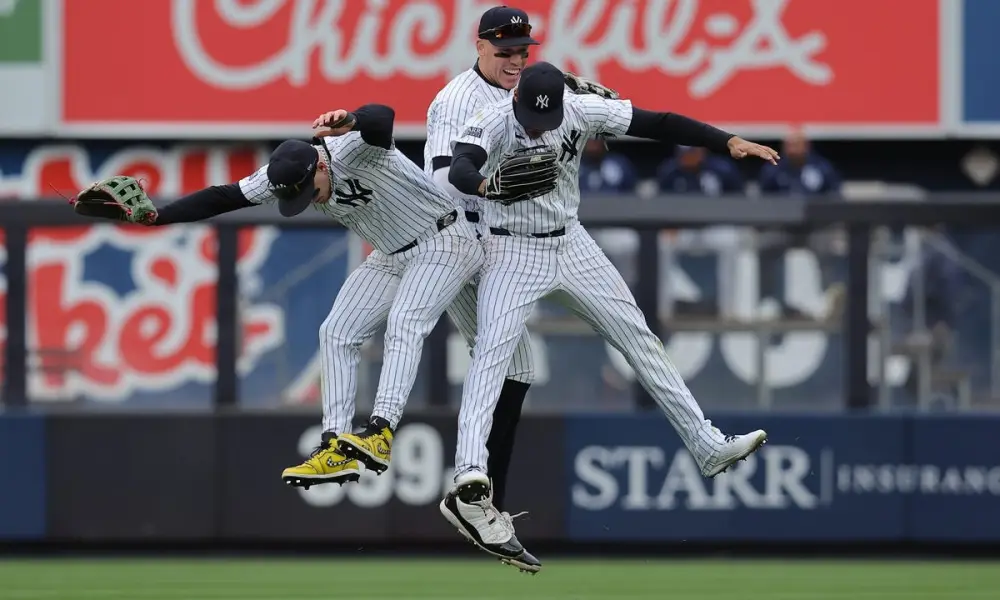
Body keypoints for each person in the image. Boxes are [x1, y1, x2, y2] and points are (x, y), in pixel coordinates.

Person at [445, 62, 777, 563]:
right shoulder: (492, 119)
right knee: (493, 353)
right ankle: (470, 470)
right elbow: (460, 167)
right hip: (510, 250)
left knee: (639, 337)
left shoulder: (578, 110)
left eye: (549, 116)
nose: (542, 124)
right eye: (534, 117)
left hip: (571, 244)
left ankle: (706, 445)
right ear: (515, 102)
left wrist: (724, 140)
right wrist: (486, 188)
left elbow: (659, 122)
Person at [119, 104, 486, 496]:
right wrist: (157, 217)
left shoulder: (350, 150)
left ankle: (381, 432)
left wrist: (352, 121)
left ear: (321, 169)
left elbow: (382, 117)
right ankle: (334, 445)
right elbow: (222, 197)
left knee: (405, 322)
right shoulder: (285, 176)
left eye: (310, 192)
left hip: (445, 239)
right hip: (391, 253)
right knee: (335, 333)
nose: (310, 200)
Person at [422, 5, 538, 541]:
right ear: (479, 46)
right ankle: (476, 494)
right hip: (460, 242)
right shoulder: (457, 100)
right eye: (504, 50)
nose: (515, 59)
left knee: (516, 365)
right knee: (504, 361)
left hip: (494, 243)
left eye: (522, 51)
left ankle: (486, 497)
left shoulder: (522, 95)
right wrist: (496, 184)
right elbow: (446, 178)